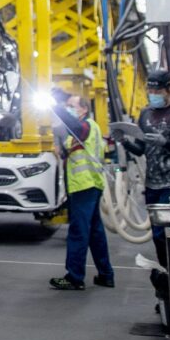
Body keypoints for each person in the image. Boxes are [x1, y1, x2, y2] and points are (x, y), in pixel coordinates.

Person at [121, 69, 170, 269]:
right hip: (152, 185)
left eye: (157, 91)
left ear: (168, 90)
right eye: (150, 91)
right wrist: (124, 141)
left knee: (169, 233)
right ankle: (167, 272)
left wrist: (166, 143)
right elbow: (140, 149)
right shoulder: (145, 114)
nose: (153, 95)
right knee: (157, 235)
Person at [49, 89, 115, 290]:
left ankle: (74, 277)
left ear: (84, 109)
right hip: (89, 185)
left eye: (72, 106)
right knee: (95, 232)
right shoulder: (82, 130)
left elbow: (77, 128)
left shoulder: (87, 125)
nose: (69, 109)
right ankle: (106, 274)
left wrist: (56, 105)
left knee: (78, 231)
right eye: (67, 106)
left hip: (84, 186)